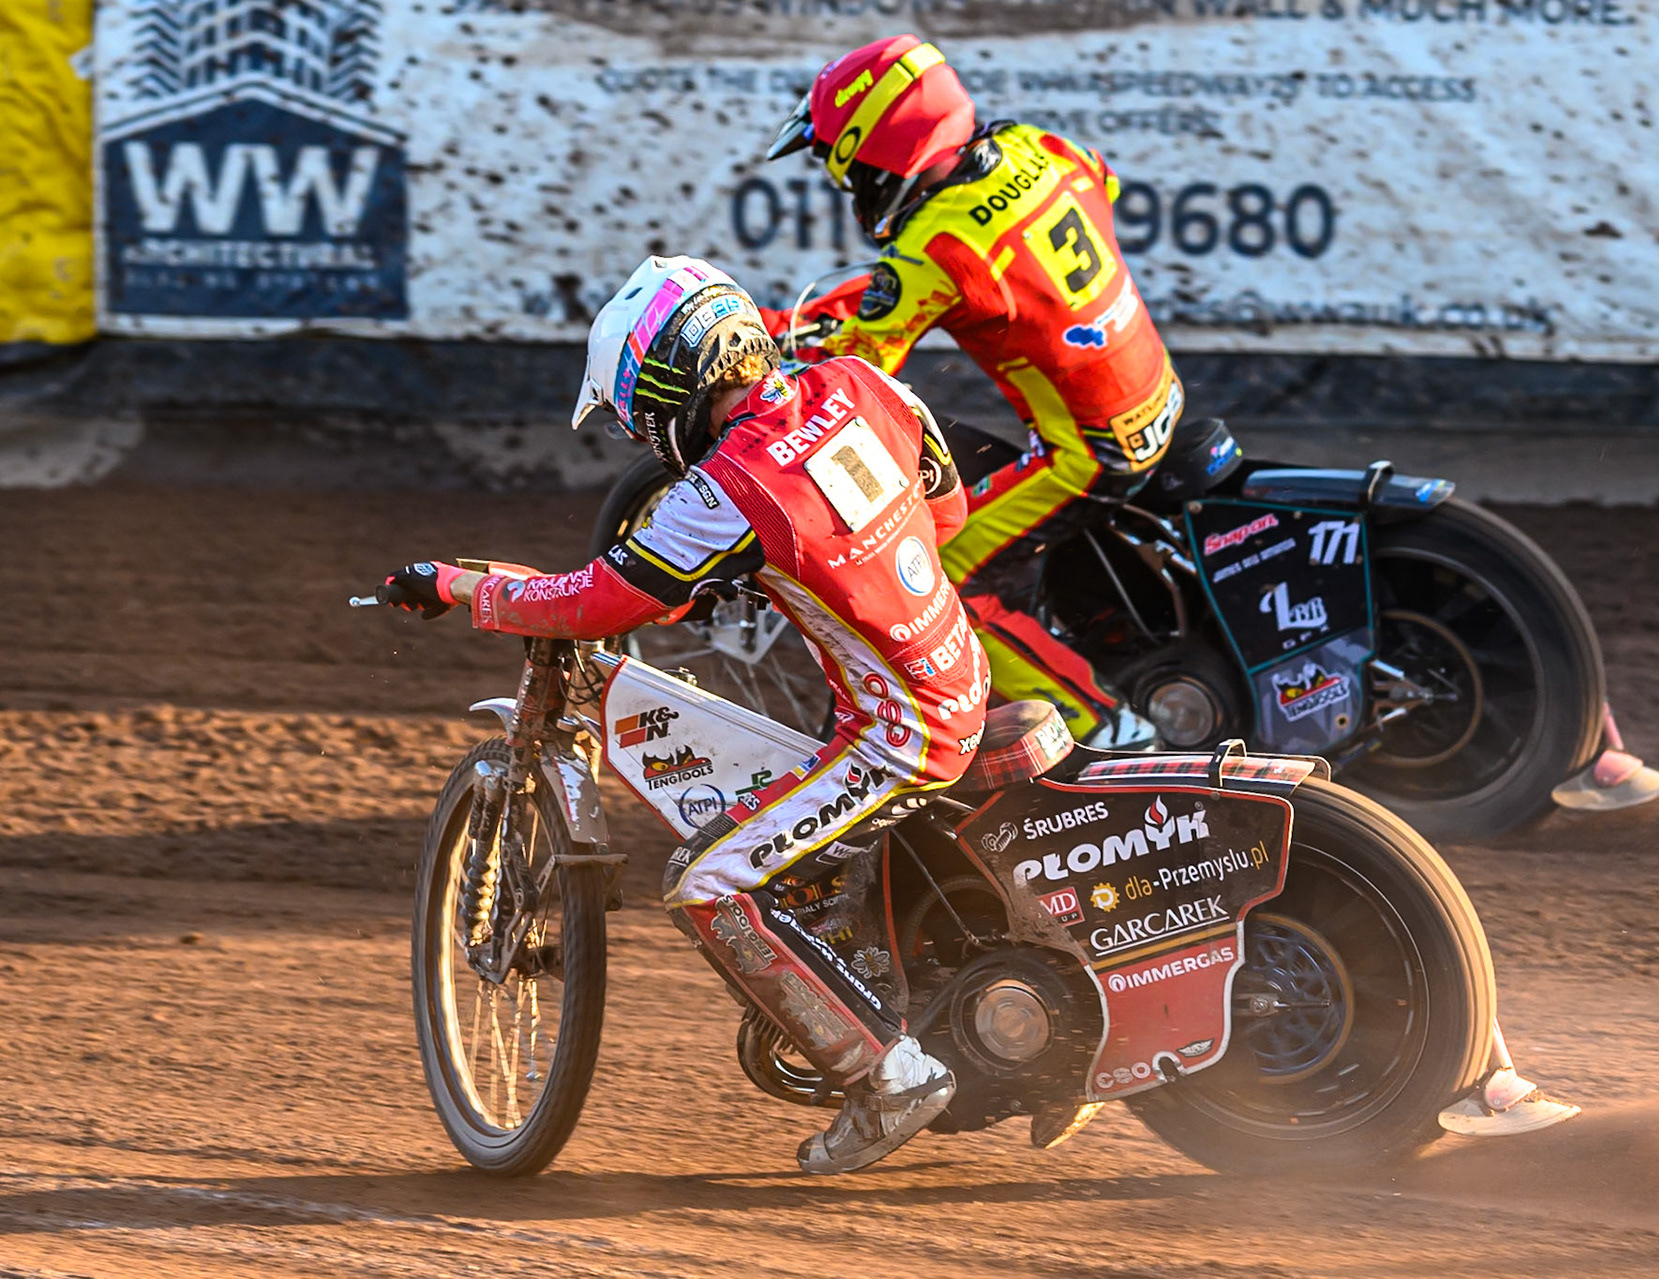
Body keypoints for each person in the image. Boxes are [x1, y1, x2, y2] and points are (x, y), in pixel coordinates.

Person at [379, 255, 990, 1175]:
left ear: (668, 383)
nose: (639, 432)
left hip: (903, 731)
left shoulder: (727, 489)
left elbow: (593, 604)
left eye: (633, 407)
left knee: (706, 882)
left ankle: (888, 1072)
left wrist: (464, 585)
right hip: (958, 668)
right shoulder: (860, 381)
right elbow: (946, 513)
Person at [765, 34, 1178, 750]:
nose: (855, 190)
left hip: (1086, 452)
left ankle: (1108, 732)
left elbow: (863, 362)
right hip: (1155, 398)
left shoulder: (931, 246)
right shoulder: (1036, 147)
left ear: (881, 152)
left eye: (853, 172)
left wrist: (791, 351)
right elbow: (1097, 185)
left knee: (939, 579)